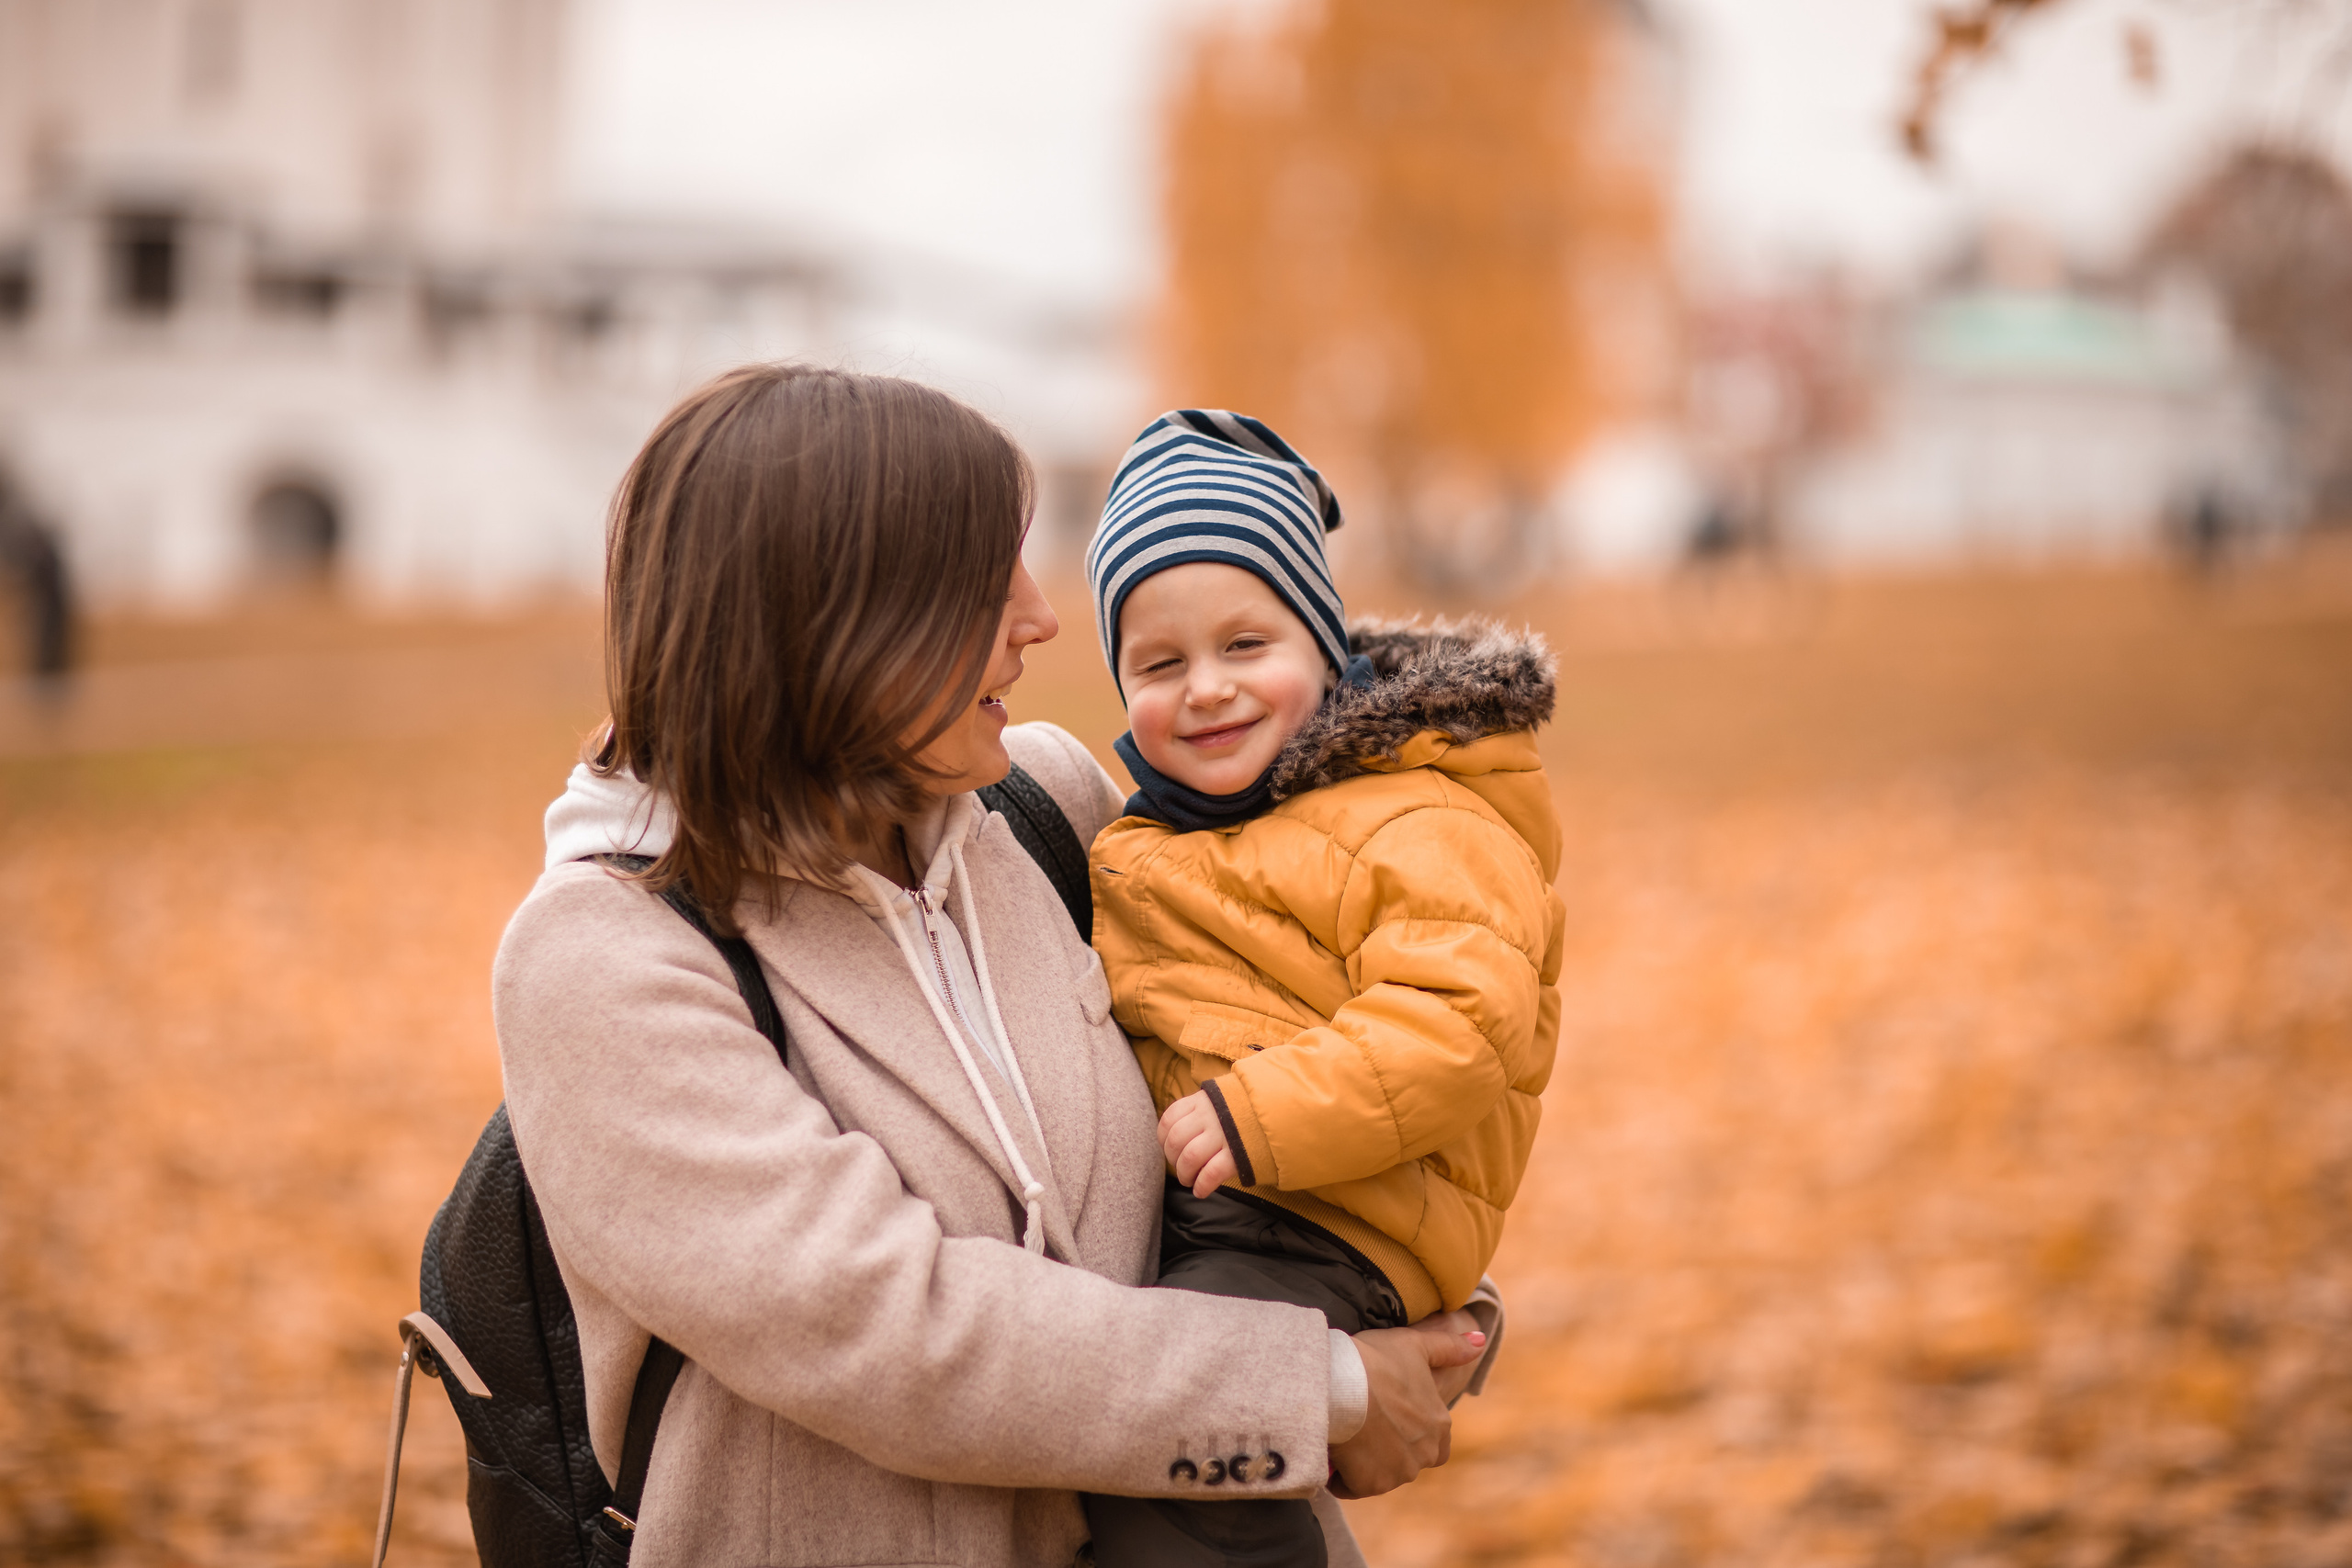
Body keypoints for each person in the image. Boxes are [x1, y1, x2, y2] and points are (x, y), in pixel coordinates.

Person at [495, 366, 1488, 1568]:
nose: (1041, 615)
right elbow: (894, 1329)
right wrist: (1318, 1385)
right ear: (830, 615)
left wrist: (1415, 1306)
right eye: (984, 578)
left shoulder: (1048, 809)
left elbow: (1318, 1015)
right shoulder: (605, 955)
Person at [1077, 411, 1565, 1567]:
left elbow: (1457, 1023)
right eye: (1158, 663)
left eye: (1246, 647)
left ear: (1324, 645)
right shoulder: (1172, 836)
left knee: (1184, 1458)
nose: (1204, 690)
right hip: (1256, 1205)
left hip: (1333, 1216)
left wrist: (1258, 1117)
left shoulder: (1419, 814)